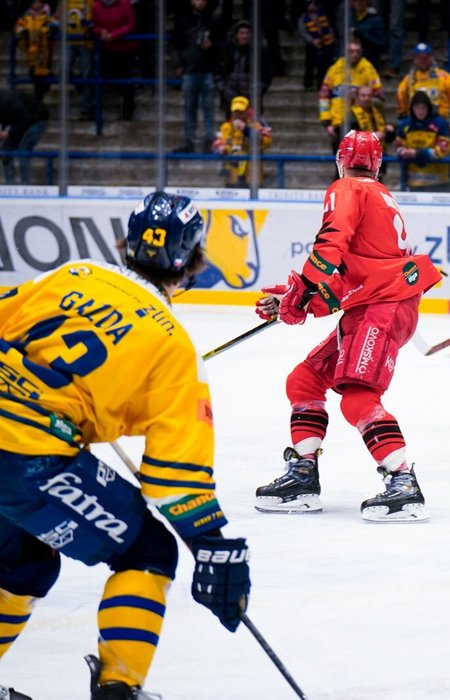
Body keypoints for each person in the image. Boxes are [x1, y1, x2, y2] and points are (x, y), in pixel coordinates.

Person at [0, 192, 250, 698]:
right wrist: (213, 545)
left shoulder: (73, 274)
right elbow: (175, 472)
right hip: (27, 454)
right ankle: (120, 687)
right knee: (147, 550)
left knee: (25, 557)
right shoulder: (173, 346)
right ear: (192, 263)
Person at [253, 130, 442, 520]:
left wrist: (304, 288)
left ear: (341, 160)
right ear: (378, 163)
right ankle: (304, 474)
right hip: (377, 304)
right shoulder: (380, 197)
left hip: (383, 308)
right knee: (304, 379)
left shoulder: (347, 188)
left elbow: (331, 243)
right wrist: (300, 300)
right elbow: (356, 277)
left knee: (357, 395)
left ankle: (404, 482)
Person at [172, 0, 220, 154]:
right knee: (189, 107)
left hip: (207, 70)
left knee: (208, 107)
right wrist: (178, 64)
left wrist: (212, 47)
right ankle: (189, 140)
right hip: (190, 70)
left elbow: (222, 46)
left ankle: (209, 139)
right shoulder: (184, 22)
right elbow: (175, 46)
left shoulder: (213, 22)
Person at [318, 38, 385, 147]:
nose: (354, 54)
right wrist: (327, 122)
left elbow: (380, 100)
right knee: (341, 162)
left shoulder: (368, 69)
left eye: (357, 51)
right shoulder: (334, 69)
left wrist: (363, 99)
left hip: (361, 125)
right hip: (338, 126)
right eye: (351, 51)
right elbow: (324, 97)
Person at [394, 90, 450, 192]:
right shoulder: (405, 125)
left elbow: (443, 149)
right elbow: (399, 144)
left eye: (423, 107)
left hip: (439, 181)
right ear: (412, 108)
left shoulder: (440, 123)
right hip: (413, 181)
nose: (420, 111)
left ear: (428, 108)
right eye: (417, 107)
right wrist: (402, 151)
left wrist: (418, 153)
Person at [92, 0, 139, 121]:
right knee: (107, 74)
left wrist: (114, 35)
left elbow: (131, 24)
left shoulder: (125, 4)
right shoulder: (97, 7)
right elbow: (95, 25)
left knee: (126, 77)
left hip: (126, 47)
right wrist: (101, 32)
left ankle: (128, 110)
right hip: (108, 48)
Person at [212, 95, 273, 188]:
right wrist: (220, 148)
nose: (237, 114)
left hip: (252, 177)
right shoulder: (226, 127)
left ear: (247, 111)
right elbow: (218, 145)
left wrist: (245, 129)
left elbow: (265, 142)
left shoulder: (257, 126)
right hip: (232, 178)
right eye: (235, 111)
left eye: (240, 112)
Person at [215, 20, 273, 113]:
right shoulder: (227, 50)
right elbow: (218, 71)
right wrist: (224, 90)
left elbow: (267, 74)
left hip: (252, 98)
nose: (244, 36)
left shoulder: (259, 52)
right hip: (230, 96)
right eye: (241, 33)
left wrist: (257, 91)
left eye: (247, 33)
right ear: (236, 34)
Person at [396, 42, 450, 120]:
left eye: (426, 57)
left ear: (431, 58)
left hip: (442, 121)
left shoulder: (446, 78)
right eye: (419, 58)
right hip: (416, 123)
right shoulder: (408, 80)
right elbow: (401, 101)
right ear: (414, 59)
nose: (423, 60)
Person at [0, 89, 49, 185]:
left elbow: (25, 119)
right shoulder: (5, 103)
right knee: (5, 153)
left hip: (35, 121)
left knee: (23, 151)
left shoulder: (10, 102)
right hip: (21, 121)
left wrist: (8, 133)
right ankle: (11, 185)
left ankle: (25, 184)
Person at [15, 0, 58, 102]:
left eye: (39, 2)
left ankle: (38, 103)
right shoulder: (27, 17)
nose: (37, 5)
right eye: (35, 2)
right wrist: (22, 32)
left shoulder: (48, 17)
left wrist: (51, 29)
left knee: (42, 78)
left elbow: (55, 25)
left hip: (45, 54)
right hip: (32, 54)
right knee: (36, 77)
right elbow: (18, 27)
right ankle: (38, 103)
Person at [62, 0, 95, 120]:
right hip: (70, 39)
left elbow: (95, 17)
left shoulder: (91, 2)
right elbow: (58, 16)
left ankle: (85, 109)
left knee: (87, 74)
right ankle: (87, 94)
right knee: (62, 70)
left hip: (86, 41)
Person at [297, 0, 337, 91]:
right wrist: (312, 40)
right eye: (310, 5)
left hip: (325, 44)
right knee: (310, 64)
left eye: (313, 4)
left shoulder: (321, 15)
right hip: (312, 45)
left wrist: (331, 36)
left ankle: (321, 84)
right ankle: (308, 84)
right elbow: (303, 32)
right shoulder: (303, 18)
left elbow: (328, 27)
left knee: (323, 66)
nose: (312, 6)